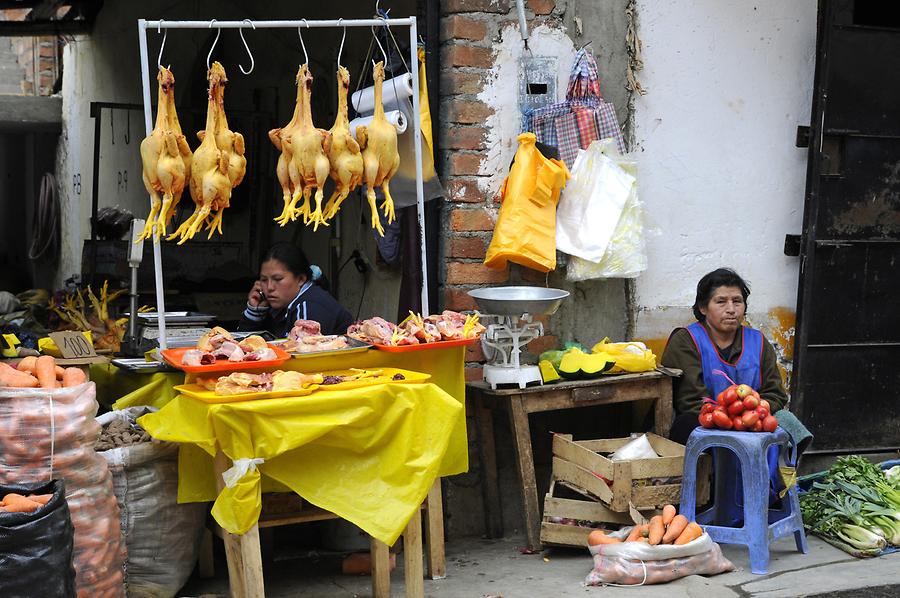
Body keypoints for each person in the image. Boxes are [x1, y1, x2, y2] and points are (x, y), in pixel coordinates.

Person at [662, 268, 788, 445]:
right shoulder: (686, 340)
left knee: (787, 422)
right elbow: (689, 401)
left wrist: (753, 415)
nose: (731, 309)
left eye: (737, 301)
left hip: (752, 421)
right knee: (686, 424)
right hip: (705, 421)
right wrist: (731, 420)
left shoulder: (758, 341)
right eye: (721, 302)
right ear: (703, 307)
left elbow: (775, 392)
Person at [239, 243, 353, 338]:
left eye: (278, 279)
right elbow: (246, 345)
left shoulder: (308, 307)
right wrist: (254, 313)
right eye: (264, 280)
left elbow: (297, 354)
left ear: (300, 279)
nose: (269, 287)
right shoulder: (281, 305)